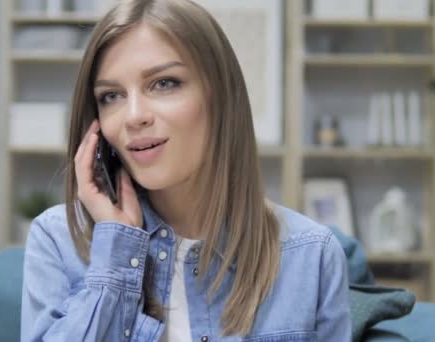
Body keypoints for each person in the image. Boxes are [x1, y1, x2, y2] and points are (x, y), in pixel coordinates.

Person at [20, 0, 352, 341]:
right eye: (111, 95)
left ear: (220, 96)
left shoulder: (311, 256)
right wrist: (116, 254)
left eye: (164, 83)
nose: (133, 116)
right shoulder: (57, 241)